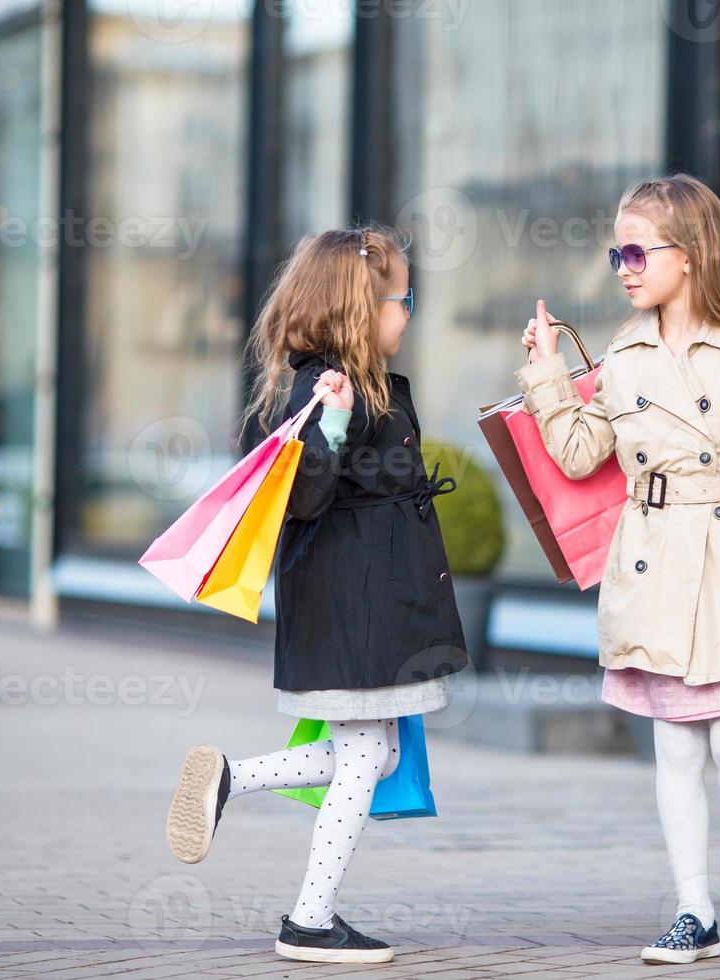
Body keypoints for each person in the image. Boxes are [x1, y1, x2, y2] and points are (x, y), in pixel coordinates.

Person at [517, 174, 720, 966]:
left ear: (692, 255)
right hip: (654, 557)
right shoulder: (624, 354)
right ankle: (693, 911)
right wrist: (542, 374)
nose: (624, 267)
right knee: (676, 751)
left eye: (637, 250)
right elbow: (574, 453)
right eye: (616, 253)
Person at [164, 225, 468, 965]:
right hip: (354, 605)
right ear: (362, 309)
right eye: (406, 300)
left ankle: (233, 778)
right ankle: (309, 918)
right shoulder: (325, 392)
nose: (410, 315)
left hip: (363, 603)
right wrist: (330, 422)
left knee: (372, 750)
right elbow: (303, 496)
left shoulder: (350, 385)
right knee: (366, 756)